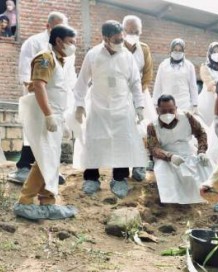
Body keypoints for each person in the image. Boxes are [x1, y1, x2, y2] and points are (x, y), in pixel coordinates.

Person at [72, 20, 147, 198]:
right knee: (94, 141)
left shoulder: (127, 56)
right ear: (105, 38)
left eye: (122, 38)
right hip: (98, 106)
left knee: (122, 142)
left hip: (122, 107)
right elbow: (81, 82)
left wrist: (140, 106)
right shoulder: (92, 55)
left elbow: (136, 83)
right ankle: (91, 178)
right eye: (117, 39)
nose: (121, 42)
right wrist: (79, 105)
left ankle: (119, 179)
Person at [13, 25, 78, 220]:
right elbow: (39, 87)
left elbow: (55, 90)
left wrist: (62, 120)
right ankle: (25, 202)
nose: (73, 46)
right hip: (44, 116)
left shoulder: (59, 60)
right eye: (71, 42)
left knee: (50, 159)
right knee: (45, 159)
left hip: (55, 115)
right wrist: (49, 115)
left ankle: (47, 200)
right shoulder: (45, 58)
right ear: (59, 41)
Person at [8, 12, 76, 185]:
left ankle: (49, 171)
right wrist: (37, 96)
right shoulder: (35, 44)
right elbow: (27, 74)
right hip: (40, 96)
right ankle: (24, 166)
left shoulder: (68, 48)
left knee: (51, 141)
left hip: (59, 98)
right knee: (35, 135)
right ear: (48, 27)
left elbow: (69, 75)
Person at [147, 95, 212, 204]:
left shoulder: (186, 117)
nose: (168, 114)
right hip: (166, 153)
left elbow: (201, 133)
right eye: (163, 111)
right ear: (157, 110)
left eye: (171, 110)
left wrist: (201, 152)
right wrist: (170, 156)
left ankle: (209, 196)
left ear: (176, 108)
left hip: (188, 149)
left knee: (205, 166)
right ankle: (173, 202)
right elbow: (154, 148)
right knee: (164, 171)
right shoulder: (152, 126)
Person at [123, 15, 156, 181]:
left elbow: (148, 74)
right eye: (129, 31)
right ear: (123, 31)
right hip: (120, 97)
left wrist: (138, 94)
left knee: (142, 131)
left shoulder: (144, 49)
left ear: (140, 32)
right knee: (124, 132)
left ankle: (140, 166)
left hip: (140, 95)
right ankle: (123, 167)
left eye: (135, 31)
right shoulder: (117, 47)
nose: (132, 34)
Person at [152, 38, 198, 113]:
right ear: (171, 50)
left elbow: (193, 86)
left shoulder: (189, 66)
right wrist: (155, 103)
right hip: (166, 104)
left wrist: (195, 104)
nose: (177, 52)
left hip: (184, 104)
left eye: (180, 50)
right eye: (175, 50)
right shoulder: (163, 65)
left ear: (183, 51)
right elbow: (158, 85)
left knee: (183, 122)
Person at [198, 42, 218, 127]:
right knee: (206, 126)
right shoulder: (204, 67)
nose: (217, 54)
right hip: (207, 102)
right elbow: (209, 85)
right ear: (209, 53)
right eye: (214, 52)